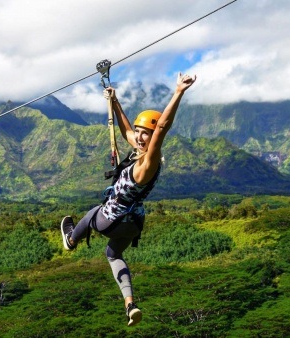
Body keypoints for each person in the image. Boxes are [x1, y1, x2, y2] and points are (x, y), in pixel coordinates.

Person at [60, 72, 196, 326]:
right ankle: (130, 304)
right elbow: (126, 133)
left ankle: (71, 239)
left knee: (92, 214)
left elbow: (162, 128)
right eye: (140, 132)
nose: (141, 137)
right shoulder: (139, 150)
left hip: (112, 219)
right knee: (113, 254)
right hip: (133, 225)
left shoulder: (149, 160)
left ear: (154, 137)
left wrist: (178, 92)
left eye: (147, 134)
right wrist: (115, 102)